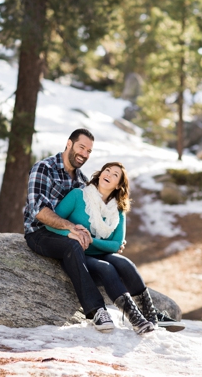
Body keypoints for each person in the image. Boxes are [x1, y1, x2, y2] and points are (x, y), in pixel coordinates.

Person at [46, 161, 185, 333]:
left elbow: (116, 244)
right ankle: (135, 319)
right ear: (100, 174)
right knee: (107, 268)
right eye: (107, 170)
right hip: (78, 254)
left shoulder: (118, 210)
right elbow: (51, 224)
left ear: (119, 185)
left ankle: (150, 315)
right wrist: (72, 233)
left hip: (100, 252)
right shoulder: (77, 196)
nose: (108, 174)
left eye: (115, 175)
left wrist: (91, 240)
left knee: (126, 263)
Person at [24, 129, 114, 331]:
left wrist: (112, 238)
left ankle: (143, 310)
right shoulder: (44, 168)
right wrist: (70, 227)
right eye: (82, 147)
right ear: (69, 144)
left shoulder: (82, 181)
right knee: (73, 246)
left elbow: (95, 215)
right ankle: (96, 310)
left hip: (67, 234)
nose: (84, 154)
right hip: (40, 234)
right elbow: (38, 210)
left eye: (89, 151)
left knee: (112, 258)